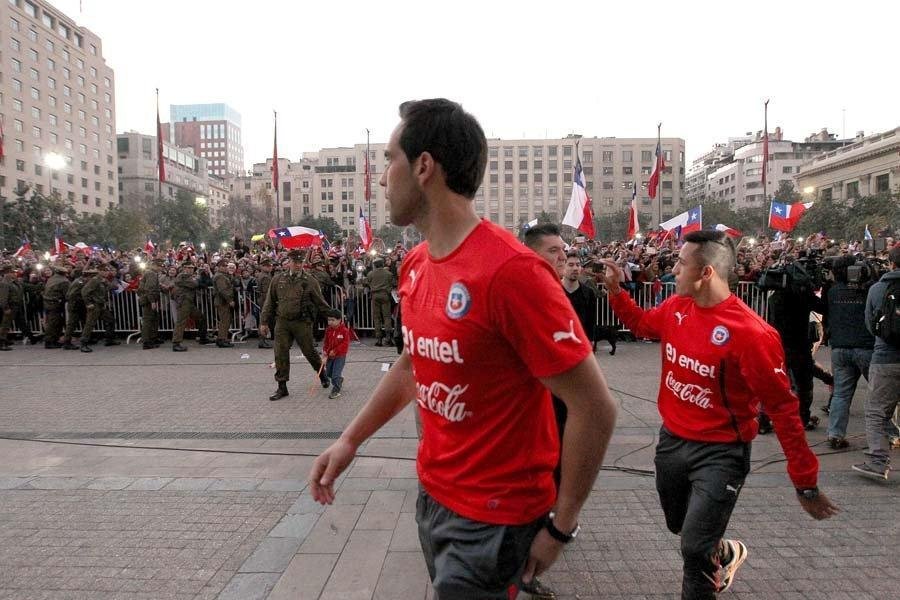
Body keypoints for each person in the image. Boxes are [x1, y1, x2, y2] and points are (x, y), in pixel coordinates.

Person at [309, 99, 618, 599]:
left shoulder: (512, 273)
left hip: (497, 521)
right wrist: (350, 440)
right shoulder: (415, 264)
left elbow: (595, 407)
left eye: (389, 160)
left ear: (424, 166)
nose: (384, 179)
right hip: (434, 497)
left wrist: (561, 527)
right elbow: (416, 363)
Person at [600, 230, 838, 599]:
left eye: (680, 263)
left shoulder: (752, 334)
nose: (673, 270)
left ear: (706, 273)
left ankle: (708, 559)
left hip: (722, 453)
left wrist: (804, 480)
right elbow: (644, 326)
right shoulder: (678, 308)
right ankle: (725, 551)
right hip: (672, 442)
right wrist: (616, 292)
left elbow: (783, 409)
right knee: (681, 527)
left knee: (694, 550)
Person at [853, 246, 900, 479]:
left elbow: (871, 326)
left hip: (885, 358)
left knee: (876, 412)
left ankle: (878, 461)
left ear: (891, 264)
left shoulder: (877, 289)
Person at [259, 249, 332, 401]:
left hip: (302, 322)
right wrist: (264, 322)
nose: (298, 265)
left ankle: (322, 374)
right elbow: (269, 302)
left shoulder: (309, 280)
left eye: (301, 262)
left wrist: (334, 318)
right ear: (289, 262)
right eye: (295, 262)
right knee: (280, 353)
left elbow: (320, 302)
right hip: (283, 322)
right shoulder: (278, 279)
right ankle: (282, 387)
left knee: (309, 351)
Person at [822, 255, 875, 449]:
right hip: (866, 348)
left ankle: (835, 433)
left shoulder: (833, 291)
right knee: (880, 394)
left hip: (840, 348)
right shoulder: (868, 289)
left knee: (841, 395)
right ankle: (890, 433)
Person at [171, 262, 211, 352]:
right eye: (188, 267)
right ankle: (176, 343)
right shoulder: (183, 276)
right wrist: (197, 278)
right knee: (181, 322)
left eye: (192, 268)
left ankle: (202, 337)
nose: (190, 269)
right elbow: (194, 284)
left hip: (188, 302)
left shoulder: (188, 276)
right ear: (184, 268)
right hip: (184, 302)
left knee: (201, 317)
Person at [79, 265, 119, 352]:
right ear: (100, 271)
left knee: (110, 320)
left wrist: (109, 283)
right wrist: (88, 303)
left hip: (101, 305)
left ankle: (109, 339)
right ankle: (83, 344)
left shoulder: (103, 280)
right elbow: (84, 291)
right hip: (94, 305)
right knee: (90, 324)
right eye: (105, 271)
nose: (107, 272)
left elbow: (113, 287)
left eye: (107, 270)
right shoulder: (95, 280)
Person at [364, 258, 394, 346]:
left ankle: (379, 339)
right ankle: (388, 338)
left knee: (377, 317)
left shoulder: (370, 274)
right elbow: (393, 283)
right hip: (385, 295)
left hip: (375, 296)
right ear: (382, 264)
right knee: (387, 316)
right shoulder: (388, 274)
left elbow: (366, 282)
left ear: (375, 265)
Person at [322, 308, 350, 399]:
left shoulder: (344, 331)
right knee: (329, 373)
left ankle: (336, 389)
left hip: (340, 356)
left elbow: (345, 343)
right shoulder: (328, 330)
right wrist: (325, 352)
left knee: (335, 374)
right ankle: (339, 380)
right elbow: (326, 342)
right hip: (330, 356)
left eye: (333, 320)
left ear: (339, 320)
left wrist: (336, 350)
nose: (330, 322)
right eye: (329, 320)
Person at [42, 264, 70, 348]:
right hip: (55, 303)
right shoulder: (64, 281)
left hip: (48, 303)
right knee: (53, 323)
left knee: (53, 322)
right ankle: (49, 342)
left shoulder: (51, 278)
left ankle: (53, 340)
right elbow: (67, 294)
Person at [137, 258, 163, 349]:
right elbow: (150, 288)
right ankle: (147, 342)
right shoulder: (151, 274)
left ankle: (152, 338)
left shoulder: (150, 273)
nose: (160, 268)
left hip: (148, 299)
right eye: (159, 266)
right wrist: (152, 301)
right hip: (148, 300)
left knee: (153, 320)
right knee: (148, 321)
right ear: (154, 265)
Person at [212, 261, 236, 348]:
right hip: (222, 301)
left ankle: (222, 338)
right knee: (224, 321)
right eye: (224, 266)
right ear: (219, 267)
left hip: (223, 301)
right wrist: (230, 300)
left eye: (226, 266)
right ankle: (222, 339)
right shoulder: (220, 276)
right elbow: (223, 290)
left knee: (225, 320)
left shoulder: (223, 276)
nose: (226, 267)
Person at [62, 267, 86, 350]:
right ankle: (67, 342)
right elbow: (70, 295)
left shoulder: (78, 281)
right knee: (71, 324)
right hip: (75, 305)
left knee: (83, 322)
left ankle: (85, 339)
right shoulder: (79, 282)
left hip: (77, 305)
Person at [255, 258, 274, 348]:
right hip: (265, 300)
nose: (271, 268)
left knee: (263, 319)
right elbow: (266, 291)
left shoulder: (261, 275)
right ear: (264, 267)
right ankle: (262, 340)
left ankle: (262, 339)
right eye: (269, 266)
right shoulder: (265, 277)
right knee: (264, 320)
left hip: (262, 299)